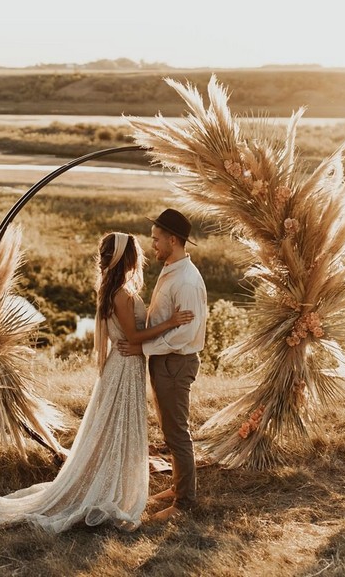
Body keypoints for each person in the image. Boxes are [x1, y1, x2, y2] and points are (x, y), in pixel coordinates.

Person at [0, 232, 193, 533]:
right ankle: (107, 488)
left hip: (126, 363)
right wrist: (171, 322)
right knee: (116, 426)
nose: (142, 255)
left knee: (117, 426)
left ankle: (112, 481)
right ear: (126, 257)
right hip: (125, 365)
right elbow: (133, 337)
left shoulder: (115, 288)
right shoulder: (121, 294)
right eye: (136, 251)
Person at [118, 209, 207, 522]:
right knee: (170, 430)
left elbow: (186, 334)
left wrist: (142, 346)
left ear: (173, 240)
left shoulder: (187, 281)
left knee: (177, 432)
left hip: (176, 362)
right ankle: (178, 487)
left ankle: (185, 503)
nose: (152, 245)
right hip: (165, 361)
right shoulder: (171, 268)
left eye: (156, 239)